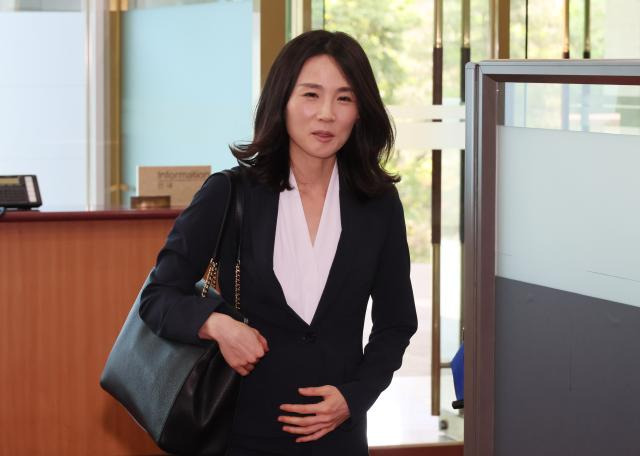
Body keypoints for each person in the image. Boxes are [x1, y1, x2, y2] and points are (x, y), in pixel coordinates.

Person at [139, 30, 417, 456]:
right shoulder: (229, 193)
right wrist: (216, 324)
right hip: (241, 433)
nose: (326, 114)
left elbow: (396, 322)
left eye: (344, 98)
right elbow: (158, 296)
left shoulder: (378, 204)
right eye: (311, 95)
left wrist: (355, 396)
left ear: (361, 111)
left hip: (338, 438)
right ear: (281, 101)